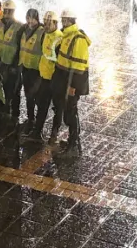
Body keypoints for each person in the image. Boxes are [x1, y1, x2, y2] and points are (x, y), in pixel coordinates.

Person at [52, 9, 91, 159]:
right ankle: (72, 140)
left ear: (72, 21)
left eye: (66, 20)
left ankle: (73, 144)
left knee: (70, 113)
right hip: (64, 80)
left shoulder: (78, 39)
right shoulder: (66, 35)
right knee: (68, 111)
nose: (64, 23)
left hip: (71, 82)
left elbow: (78, 67)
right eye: (63, 20)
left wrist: (73, 86)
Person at [32, 11, 63, 142]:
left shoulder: (59, 38)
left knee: (58, 106)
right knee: (42, 104)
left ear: (55, 23)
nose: (45, 25)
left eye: (48, 23)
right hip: (44, 76)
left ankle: (54, 133)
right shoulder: (45, 34)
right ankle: (37, 132)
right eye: (44, 23)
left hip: (55, 79)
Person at [16, 8, 45, 130]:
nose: (30, 21)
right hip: (25, 67)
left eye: (32, 18)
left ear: (37, 19)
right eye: (28, 18)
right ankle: (31, 119)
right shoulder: (24, 30)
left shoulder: (41, 32)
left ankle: (38, 123)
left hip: (36, 70)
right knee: (28, 95)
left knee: (37, 96)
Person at [0, 0, 23, 118]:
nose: (7, 13)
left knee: (14, 89)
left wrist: (16, 64)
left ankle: (15, 113)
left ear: (13, 12)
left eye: (9, 11)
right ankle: (4, 109)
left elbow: (21, 47)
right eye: (5, 11)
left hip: (12, 63)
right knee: (3, 87)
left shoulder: (19, 27)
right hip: (1, 61)